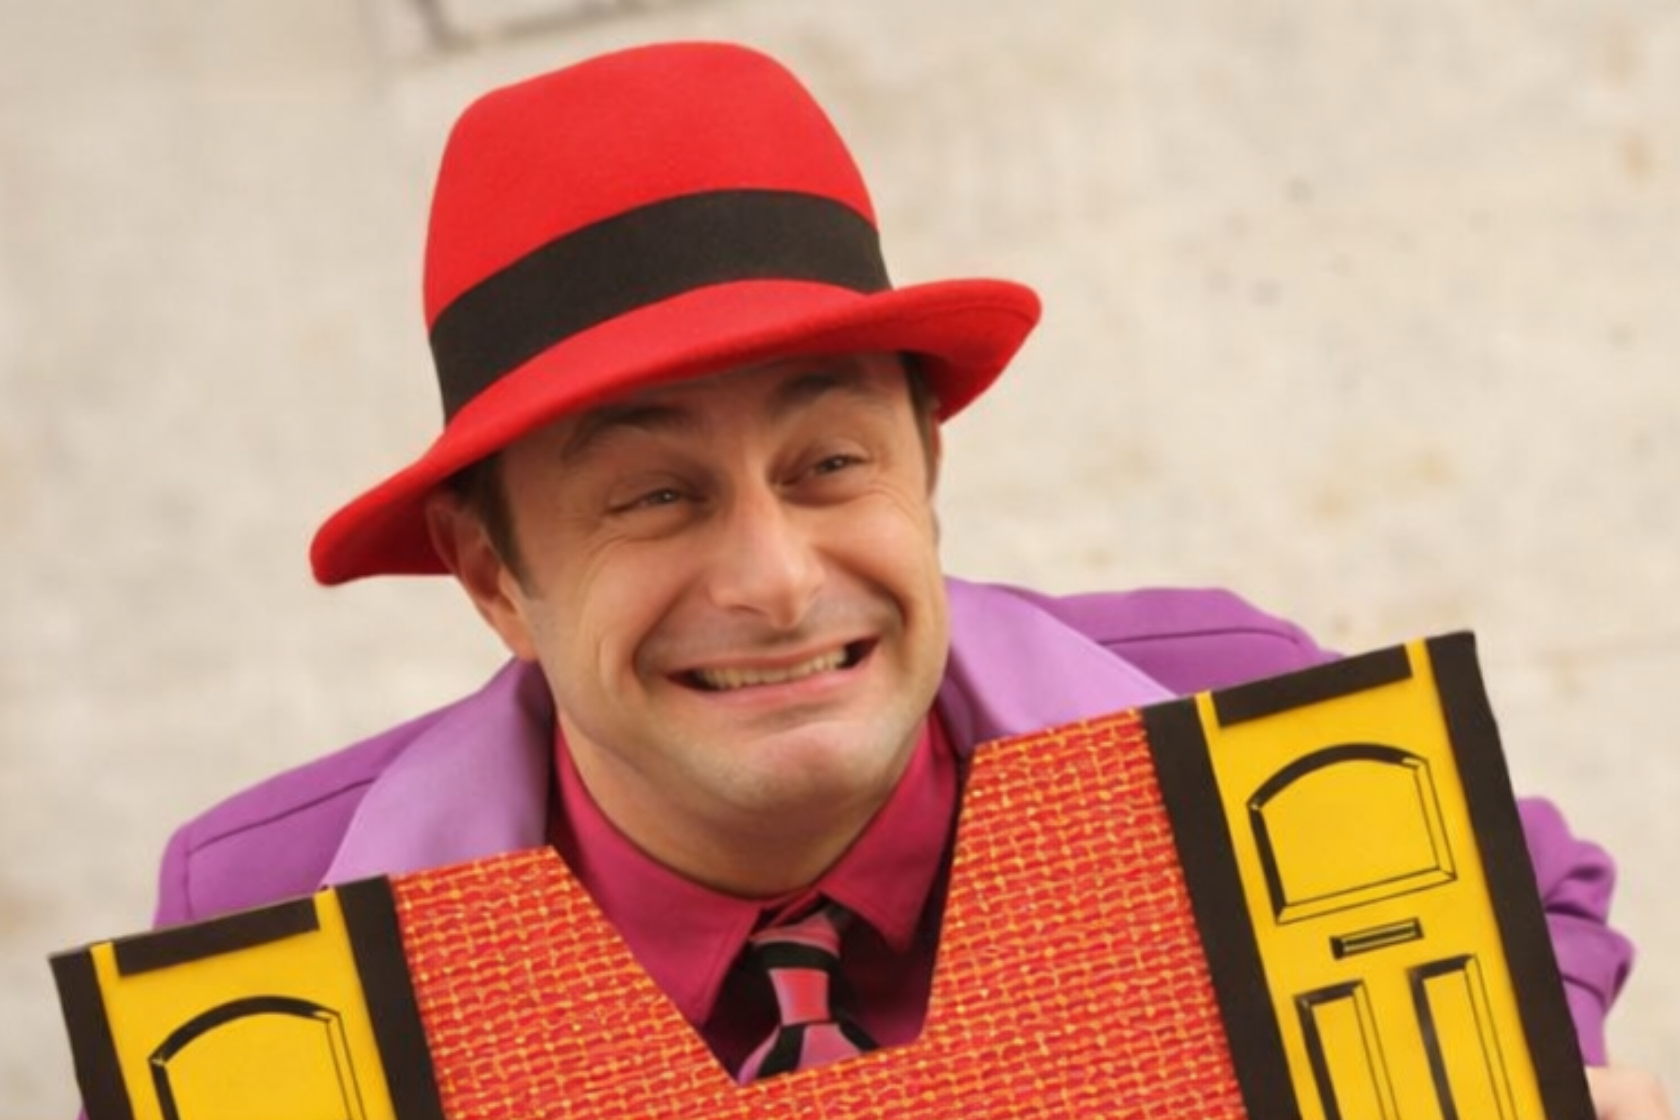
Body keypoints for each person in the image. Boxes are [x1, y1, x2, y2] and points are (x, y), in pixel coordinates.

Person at [146, 40, 1668, 1116]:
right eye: (656, 498)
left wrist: (1517, 1067)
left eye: (830, 464)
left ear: (925, 474)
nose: (775, 580)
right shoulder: (272, 936)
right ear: (493, 575)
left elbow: (1535, 893)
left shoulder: (1224, 715)